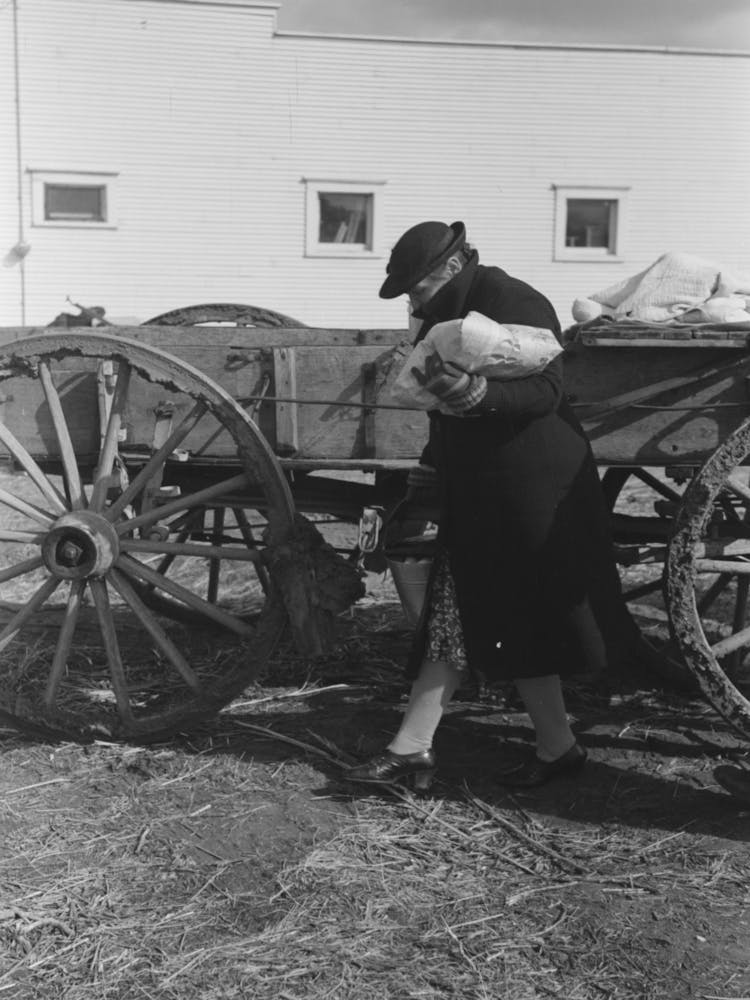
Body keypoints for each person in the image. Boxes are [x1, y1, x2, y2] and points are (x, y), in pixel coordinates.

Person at [348, 219, 640, 790]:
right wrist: (431, 470)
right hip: (480, 488)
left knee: (506, 614)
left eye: (416, 285)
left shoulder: (513, 299)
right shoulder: (438, 318)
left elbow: (546, 392)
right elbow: (439, 403)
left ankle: (433, 750)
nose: (411, 296)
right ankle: (515, 747)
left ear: (451, 268)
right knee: (472, 613)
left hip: (532, 485)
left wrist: (478, 395)